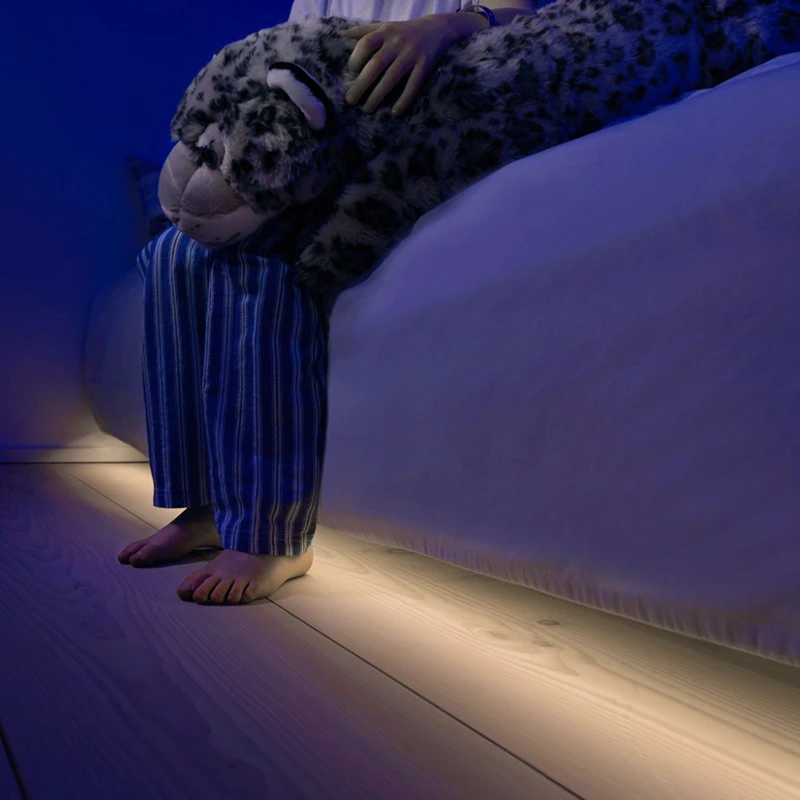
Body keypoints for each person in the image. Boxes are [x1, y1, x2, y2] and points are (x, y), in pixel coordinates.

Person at [117, 1, 537, 605]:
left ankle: (272, 535)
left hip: (405, 145)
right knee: (172, 255)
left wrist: (443, 26)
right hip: (317, 152)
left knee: (264, 259)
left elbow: (522, 17)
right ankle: (206, 506)